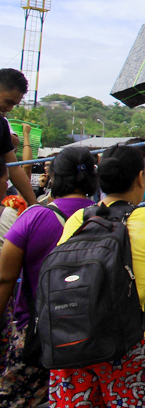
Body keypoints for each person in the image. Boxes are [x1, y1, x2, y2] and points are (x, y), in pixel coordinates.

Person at [48, 144, 145, 408]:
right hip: (137, 340)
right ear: (140, 177)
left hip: (76, 338)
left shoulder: (78, 219)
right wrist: (136, 293)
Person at [0, 146, 97, 407]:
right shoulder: (107, 217)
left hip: (36, 333)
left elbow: (5, 278)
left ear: (53, 176)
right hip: (92, 334)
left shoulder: (33, 217)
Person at [0, 70, 36, 206]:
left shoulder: (2, 124)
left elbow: (14, 168)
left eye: (13, 104)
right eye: (8, 102)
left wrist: (34, 205)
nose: (9, 109)